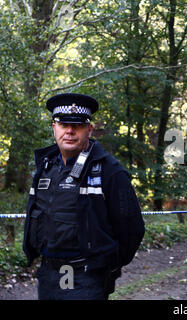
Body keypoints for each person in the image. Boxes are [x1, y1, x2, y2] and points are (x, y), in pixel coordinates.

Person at [23, 93, 145, 300]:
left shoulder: (109, 171)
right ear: (54, 128)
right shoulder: (45, 168)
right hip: (48, 274)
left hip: (88, 278)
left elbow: (132, 229)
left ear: (89, 129)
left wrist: (107, 266)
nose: (69, 131)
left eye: (77, 126)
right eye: (63, 125)